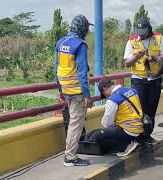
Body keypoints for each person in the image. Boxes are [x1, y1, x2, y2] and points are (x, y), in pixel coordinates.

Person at [123, 16, 163, 145]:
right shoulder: (132, 41)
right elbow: (127, 63)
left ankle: (147, 137)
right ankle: (138, 138)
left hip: (155, 80)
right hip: (138, 80)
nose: (141, 36)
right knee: (139, 110)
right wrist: (136, 57)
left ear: (148, 29)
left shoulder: (158, 38)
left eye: (143, 33)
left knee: (151, 110)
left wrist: (156, 58)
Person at [54, 14, 93, 167]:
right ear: (83, 28)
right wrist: (87, 95)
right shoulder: (80, 45)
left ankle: (71, 154)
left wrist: (60, 89)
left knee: (72, 123)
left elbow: (56, 68)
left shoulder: (61, 42)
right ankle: (70, 157)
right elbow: (82, 72)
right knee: (75, 125)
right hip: (77, 91)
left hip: (66, 89)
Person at [87, 78, 144, 156]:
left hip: (129, 130)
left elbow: (106, 124)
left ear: (104, 89)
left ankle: (124, 146)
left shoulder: (113, 99)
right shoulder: (131, 90)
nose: (106, 96)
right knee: (100, 132)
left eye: (104, 94)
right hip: (139, 128)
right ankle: (129, 142)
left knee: (97, 135)